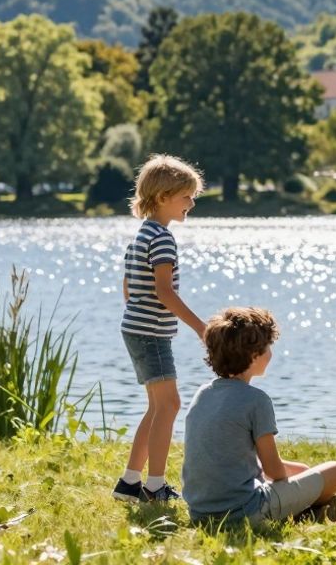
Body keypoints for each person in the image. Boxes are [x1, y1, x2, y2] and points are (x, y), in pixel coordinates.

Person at [183, 307, 336, 525]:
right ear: (254, 355)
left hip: (199, 513)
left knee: (305, 472)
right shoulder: (256, 400)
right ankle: (312, 508)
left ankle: (310, 509)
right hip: (243, 512)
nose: (271, 353)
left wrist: (303, 472)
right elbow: (274, 470)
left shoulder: (202, 393)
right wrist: (301, 479)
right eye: (268, 347)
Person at [111, 154, 207, 503]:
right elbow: (164, 292)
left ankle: (129, 483)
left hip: (137, 328)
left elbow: (128, 287)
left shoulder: (142, 234)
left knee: (157, 407)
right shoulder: (163, 238)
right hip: (150, 333)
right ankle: (154, 486)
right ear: (164, 196)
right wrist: (200, 327)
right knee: (169, 405)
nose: (191, 203)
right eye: (187, 196)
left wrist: (140, 316)